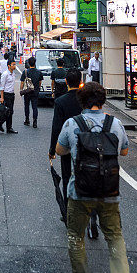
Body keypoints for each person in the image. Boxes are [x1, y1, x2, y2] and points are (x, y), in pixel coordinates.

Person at [55, 82, 130, 273]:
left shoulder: (72, 123)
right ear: (103, 101)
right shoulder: (115, 124)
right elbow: (124, 151)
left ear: (82, 101)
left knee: (76, 235)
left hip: (79, 191)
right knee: (114, 235)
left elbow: (60, 150)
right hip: (109, 190)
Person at [49, 68, 83, 223]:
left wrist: (52, 149)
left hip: (67, 145)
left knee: (67, 177)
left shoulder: (60, 101)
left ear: (67, 82)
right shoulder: (86, 100)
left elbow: (56, 127)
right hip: (86, 145)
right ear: (81, 81)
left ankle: (68, 213)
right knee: (85, 177)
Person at [20, 56, 44, 128]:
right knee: (34, 107)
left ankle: (27, 120)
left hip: (27, 91)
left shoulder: (25, 72)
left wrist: (21, 90)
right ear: (35, 63)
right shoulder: (39, 72)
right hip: (35, 91)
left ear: (29, 63)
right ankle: (35, 121)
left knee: (26, 106)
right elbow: (40, 82)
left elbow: (22, 82)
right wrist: (38, 88)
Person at [0, 58, 18, 134]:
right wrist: (2, 97)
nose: (15, 66)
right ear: (9, 66)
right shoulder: (5, 74)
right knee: (8, 111)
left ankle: (7, 126)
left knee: (10, 111)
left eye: (15, 64)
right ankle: (3, 124)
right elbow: (1, 86)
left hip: (12, 94)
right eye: (13, 64)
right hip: (6, 94)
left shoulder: (13, 74)